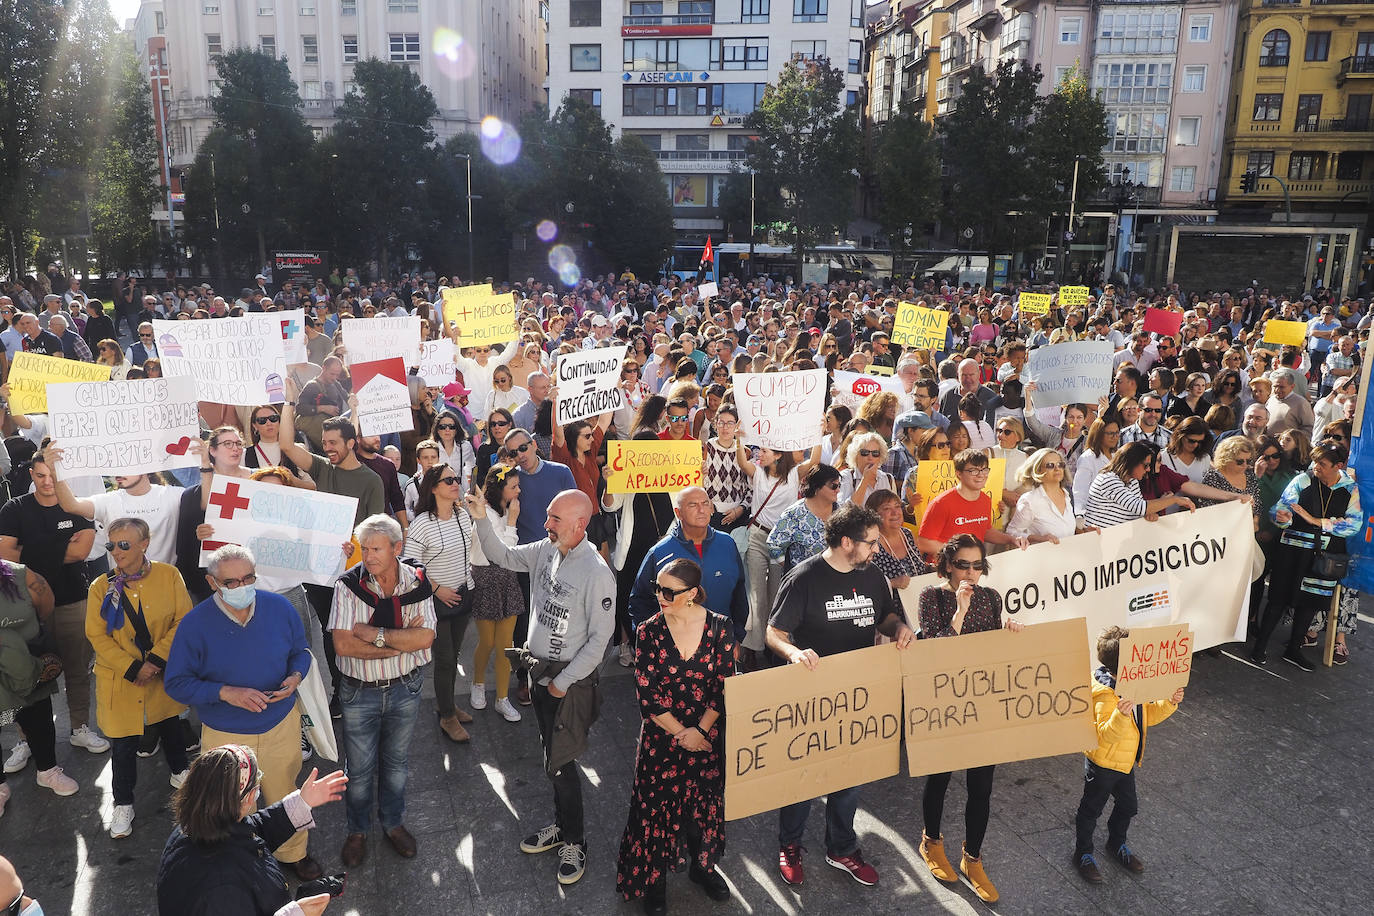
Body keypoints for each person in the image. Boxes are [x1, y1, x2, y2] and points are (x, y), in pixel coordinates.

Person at [468, 487, 615, 886]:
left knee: (563, 763)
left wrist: (561, 684)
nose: (546, 525)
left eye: (554, 519)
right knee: (552, 757)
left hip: (566, 683)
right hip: (538, 674)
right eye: (548, 517)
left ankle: (575, 841)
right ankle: (561, 826)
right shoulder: (546, 550)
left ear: (580, 525)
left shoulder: (597, 573)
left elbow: (600, 641)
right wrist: (481, 516)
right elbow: (501, 556)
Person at [767, 504, 915, 889]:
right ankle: (790, 844)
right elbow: (774, 633)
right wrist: (794, 653)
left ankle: (842, 847)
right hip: (811, 694)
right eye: (870, 543)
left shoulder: (872, 576)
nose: (877, 550)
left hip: (856, 694)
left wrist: (899, 627)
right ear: (846, 542)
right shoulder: (804, 579)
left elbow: (885, 616)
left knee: (849, 777)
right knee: (803, 776)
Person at [163, 544, 321, 882]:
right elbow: (176, 683)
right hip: (225, 733)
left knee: (284, 791)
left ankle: (294, 853)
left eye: (248, 578)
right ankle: (231, 863)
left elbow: (301, 652)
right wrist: (225, 693)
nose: (242, 586)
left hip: (280, 723)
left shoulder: (279, 607)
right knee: (225, 803)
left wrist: (295, 677)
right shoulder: (194, 624)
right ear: (212, 583)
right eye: (231, 582)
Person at [616, 558, 735, 914]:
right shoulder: (648, 630)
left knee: (702, 807)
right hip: (661, 739)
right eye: (657, 587)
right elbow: (647, 694)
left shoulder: (720, 628)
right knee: (654, 812)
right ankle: (654, 883)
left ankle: (702, 868)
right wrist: (683, 733)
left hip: (707, 736)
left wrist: (700, 730)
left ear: (693, 594)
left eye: (669, 591)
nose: (660, 596)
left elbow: (724, 686)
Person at [917, 534, 1024, 904]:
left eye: (978, 565)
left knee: (982, 786)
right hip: (945, 703)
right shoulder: (931, 597)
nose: (971, 572)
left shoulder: (992, 598)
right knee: (941, 777)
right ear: (947, 564)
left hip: (981, 705)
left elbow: (993, 652)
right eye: (963, 564)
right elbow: (935, 651)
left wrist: (1011, 634)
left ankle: (972, 857)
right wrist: (959, 611)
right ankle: (931, 841)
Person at [329, 514, 437, 866]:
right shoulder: (347, 585)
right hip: (360, 692)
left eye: (376, 548)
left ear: (397, 548)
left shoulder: (417, 582)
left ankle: (392, 823)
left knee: (396, 765)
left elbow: (426, 637)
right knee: (358, 771)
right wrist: (399, 645)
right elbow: (343, 646)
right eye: (364, 548)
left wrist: (373, 635)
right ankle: (357, 830)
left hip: (406, 687)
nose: (369, 556)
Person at [86, 517, 192, 839]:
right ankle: (123, 802)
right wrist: (133, 668)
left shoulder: (169, 575)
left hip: (161, 672)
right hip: (121, 679)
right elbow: (96, 635)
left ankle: (180, 773)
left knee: (170, 722)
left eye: (124, 545)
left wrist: (157, 659)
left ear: (144, 543)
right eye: (111, 545)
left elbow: (183, 619)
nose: (116, 551)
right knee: (123, 743)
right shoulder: (100, 587)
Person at [0, 451, 107, 762]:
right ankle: (26, 740)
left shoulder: (77, 505)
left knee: (77, 670)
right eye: (41, 475)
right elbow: (7, 556)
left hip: (73, 599)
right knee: (23, 677)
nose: (48, 482)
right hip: (23, 609)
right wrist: (60, 545)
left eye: (54, 476)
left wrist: (28, 549)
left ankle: (80, 727)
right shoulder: (14, 509)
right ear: (31, 475)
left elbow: (82, 550)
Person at [277, 404, 385, 709]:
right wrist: (287, 402)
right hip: (321, 573)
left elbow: (376, 529)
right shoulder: (323, 467)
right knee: (330, 632)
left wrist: (357, 547)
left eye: (333, 442)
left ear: (351, 443)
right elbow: (286, 445)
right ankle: (340, 689)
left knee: (358, 629)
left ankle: (365, 682)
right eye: (324, 444)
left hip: (356, 573)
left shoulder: (371, 480)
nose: (328, 448)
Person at [156, 745, 347, 916]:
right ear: (244, 799)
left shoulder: (194, 827)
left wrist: (302, 802)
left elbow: (252, 831)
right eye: (256, 784)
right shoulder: (223, 890)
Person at [1073, 626, 1184, 884]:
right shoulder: (1103, 696)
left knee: (1128, 806)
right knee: (1091, 811)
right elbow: (1104, 736)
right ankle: (1083, 854)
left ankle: (1116, 843)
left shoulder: (1134, 686)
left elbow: (1147, 717)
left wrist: (1170, 702)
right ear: (1126, 665)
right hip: (1101, 765)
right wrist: (1120, 715)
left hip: (1124, 764)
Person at [1251, 443, 1362, 670]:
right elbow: (1281, 508)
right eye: (1315, 462)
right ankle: (1259, 646)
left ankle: (1293, 650)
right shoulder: (1303, 480)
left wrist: (1316, 521)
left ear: (1338, 466)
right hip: (1292, 549)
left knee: (1310, 602)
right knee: (1278, 598)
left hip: (1326, 556)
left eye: (1322, 463)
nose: (1315, 467)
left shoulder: (1351, 489)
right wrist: (1281, 517)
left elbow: (1354, 524)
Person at [401, 465, 477, 743]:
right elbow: (410, 566)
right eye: (449, 480)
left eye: (457, 479)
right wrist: (437, 589)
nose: (456, 483)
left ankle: (447, 704)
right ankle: (447, 716)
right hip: (436, 603)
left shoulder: (462, 515)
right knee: (445, 660)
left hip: (462, 596)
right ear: (433, 487)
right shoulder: (422, 523)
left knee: (453, 656)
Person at [0, 556, 79, 814]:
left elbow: (46, 604)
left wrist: (27, 639)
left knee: (37, 718)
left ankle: (47, 770)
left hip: (28, 668)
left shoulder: (19, 574)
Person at [628, 485, 749, 646]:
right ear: (678, 513)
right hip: (675, 651)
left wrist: (736, 637)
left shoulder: (727, 544)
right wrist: (655, 642)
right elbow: (639, 601)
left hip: (721, 644)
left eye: (706, 503)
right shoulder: (659, 552)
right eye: (693, 505)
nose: (701, 510)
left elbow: (739, 594)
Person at [466, 465, 524, 722]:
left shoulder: (504, 510)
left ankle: (502, 698)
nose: (519, 491)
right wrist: (512, 521)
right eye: (514, 486)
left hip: (507, 579)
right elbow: (503, 551)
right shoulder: (485, 514)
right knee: (487, 642)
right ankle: (477, 683)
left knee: (506, 645)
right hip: (485, 578)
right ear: (501, 489)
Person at [917, 449, 1029, 557]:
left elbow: (985, 531)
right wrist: (957, 555)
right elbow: (924, 543)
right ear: (959, 474)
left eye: (984, 470)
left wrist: (1011, 539)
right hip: (946, 569)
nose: (980, 475)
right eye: (973, 471)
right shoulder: (941, 503)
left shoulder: (985, 500)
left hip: (974, 567)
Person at [1083, 443, 1197, 528]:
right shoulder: (1108, 480)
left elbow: (1140, 511)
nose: (1148, 469)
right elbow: (1140, 507)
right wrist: (1175, 500)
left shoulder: (1132, 481)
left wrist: (1148, 514)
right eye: (1146, 465)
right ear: (1132, 463)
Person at [867, 489, 930, 621]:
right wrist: (893, 583)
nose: (895, 512)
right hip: (889, 618)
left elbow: (918, 566)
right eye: (887, 508)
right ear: (874, 515)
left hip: (918, 610)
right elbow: (865, 584)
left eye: (897, 506)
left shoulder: (908, 534)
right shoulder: (871, 542)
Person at [1007, 448, 1082, 544]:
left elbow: (1066, 529)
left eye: (1060, 464)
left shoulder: (1067, 494)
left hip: (1068, 555)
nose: (1057, 468)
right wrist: (1038, 538)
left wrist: (1086, 531)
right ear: (1038, 471)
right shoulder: (1030, 500)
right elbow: (1011, 532)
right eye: (1050, 465)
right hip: (1041, 557)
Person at [1071, 418, 1121, 524]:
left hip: (1116, 515)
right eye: (1110, 433)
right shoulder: (1087, 458)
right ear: (1098, 434)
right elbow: (1080, 491)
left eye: (1117, 433)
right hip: (1095, 518)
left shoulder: (1117, 455)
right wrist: (1080, 516)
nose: (1115, 437)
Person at [837, 432, 896, 507]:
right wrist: (865, 481)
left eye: (875, 453)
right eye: (864, 453)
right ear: (855, 455)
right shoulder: (846, 477)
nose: (870, 457)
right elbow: (844, 510)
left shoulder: (887, 478)